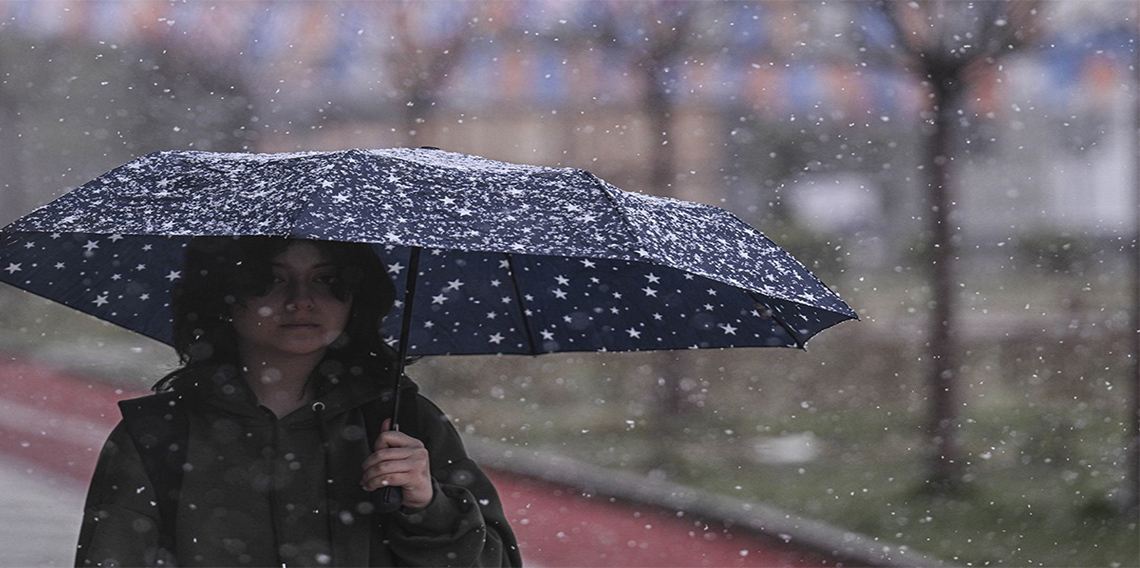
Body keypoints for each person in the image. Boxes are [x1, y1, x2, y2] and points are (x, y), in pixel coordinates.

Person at [75, 236, 521, 567]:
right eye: (271, 279)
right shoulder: (158, 433)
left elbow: (495, 562)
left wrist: (427, 506)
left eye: (326, 280)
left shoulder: (401, 422)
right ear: (223, 295)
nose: (302, 301)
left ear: (355, 296)